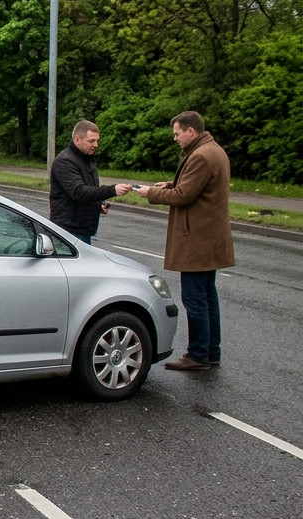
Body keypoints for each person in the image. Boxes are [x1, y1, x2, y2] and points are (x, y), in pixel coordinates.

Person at [138, 111, 233, 371]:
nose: (175, 139)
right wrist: (170, 183)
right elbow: (197, 186)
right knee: (207, 296)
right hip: (209, 238)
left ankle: (198, 354)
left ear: (191, 131)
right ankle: (211, 351)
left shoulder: (201, 155)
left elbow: (183, 195)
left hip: (197, 240)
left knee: (194, 299)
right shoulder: (214, 150)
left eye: (177, 134)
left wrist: (151, 193)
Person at [49, 120, 132, 244]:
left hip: (84, 229)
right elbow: (79, 192)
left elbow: (90, 189)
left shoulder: (87, 158)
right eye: (91, 141)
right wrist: (113, 190)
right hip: (69, 231)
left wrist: (98, 205)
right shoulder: (65, 161)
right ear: (77, 140)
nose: (96, 145)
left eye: (97, 140)